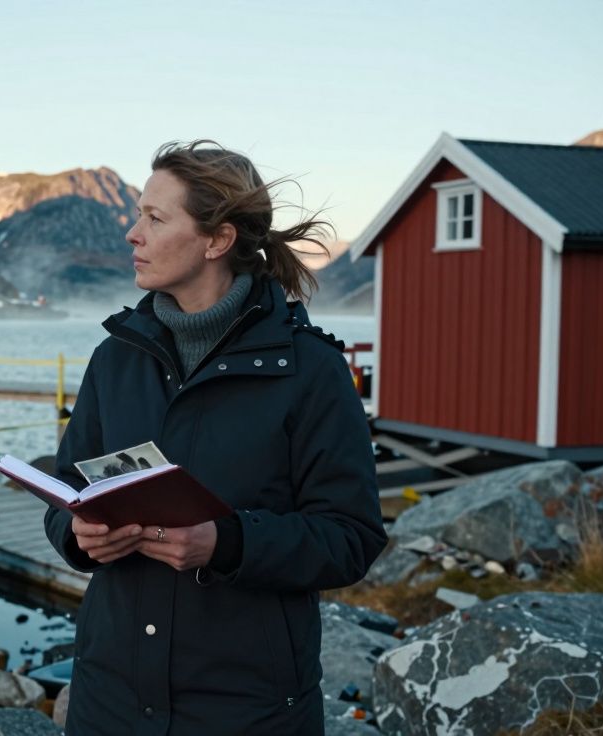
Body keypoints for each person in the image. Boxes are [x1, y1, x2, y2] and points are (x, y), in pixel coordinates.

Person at [44, 140, 387, 735]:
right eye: (137, 214)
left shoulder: (311, 369)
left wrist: (225, 544)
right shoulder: (115, 357)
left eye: (154, 217)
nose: (132, 233)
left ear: (216, 240)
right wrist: (78, 536)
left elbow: (351, 537)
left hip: (247, 709)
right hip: (110, 703)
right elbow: (67, 488)